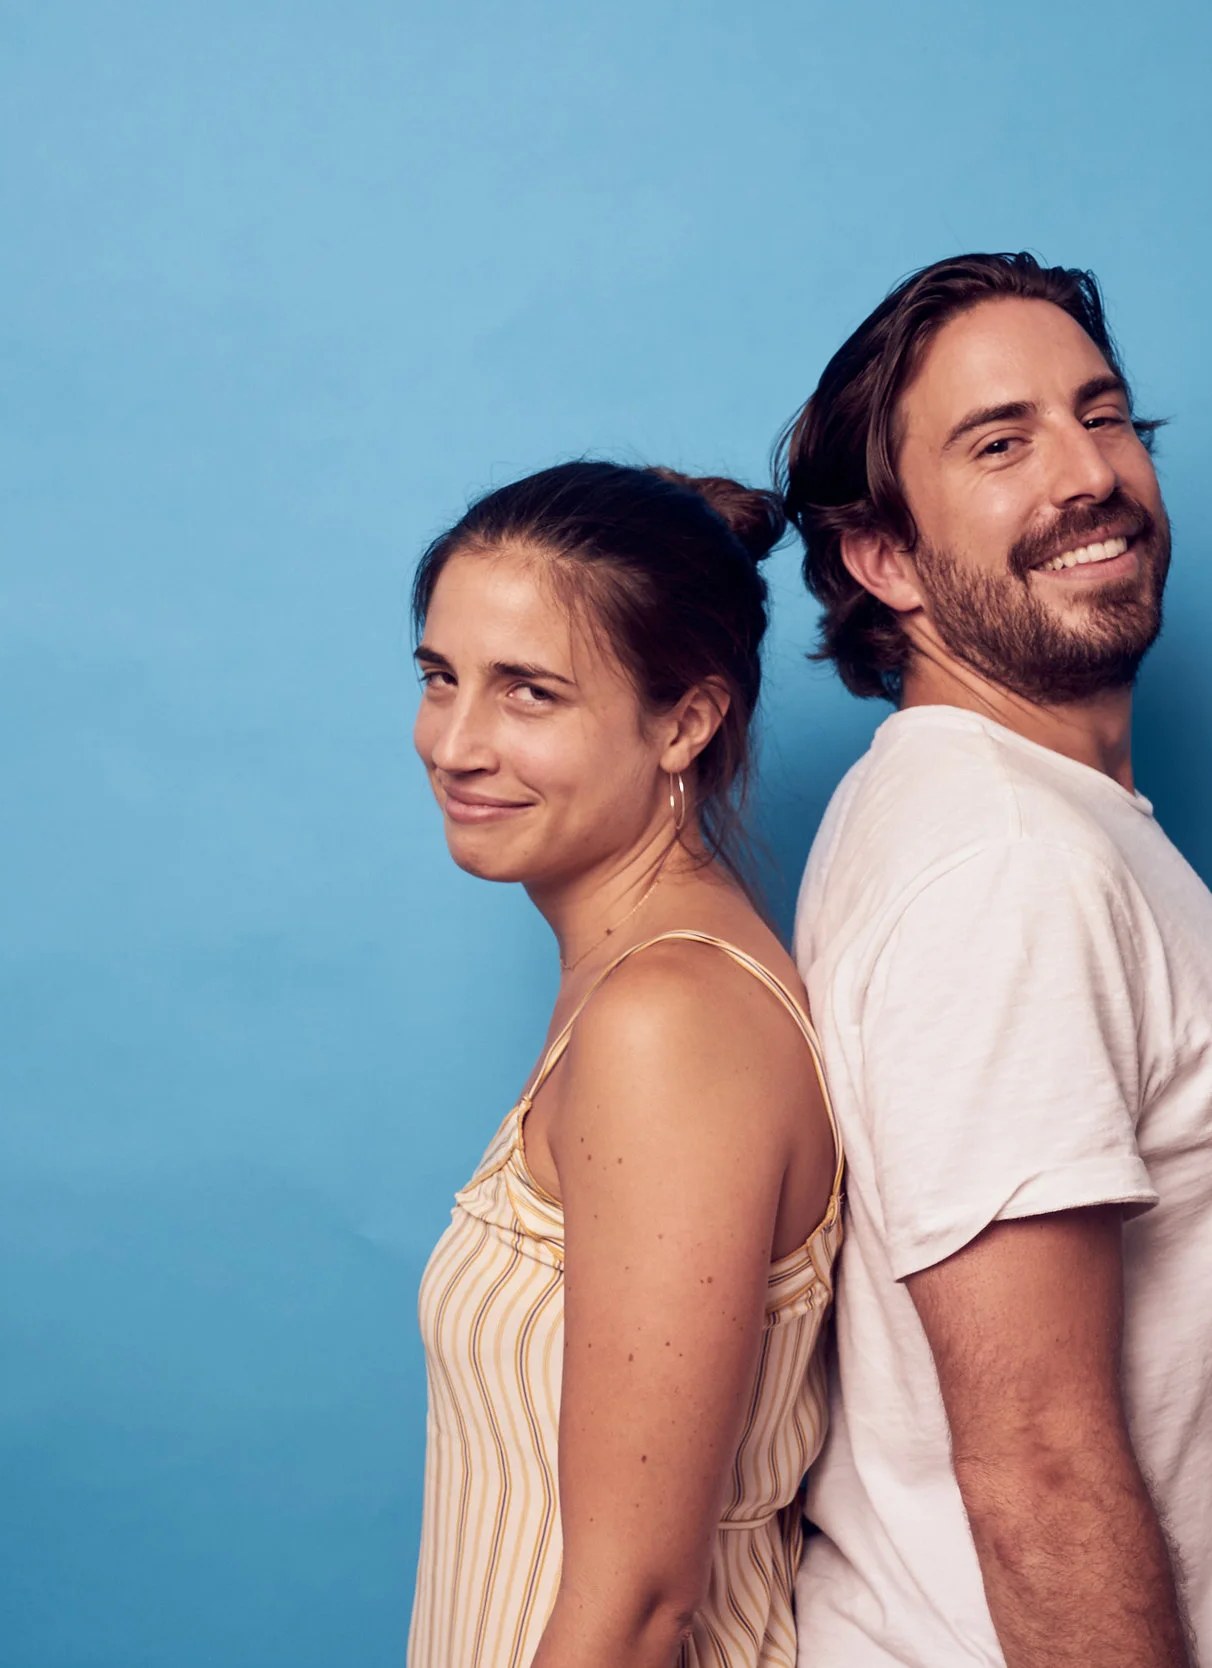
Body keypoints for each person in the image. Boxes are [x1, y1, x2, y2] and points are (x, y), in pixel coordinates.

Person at [778, 253, 1212, 1668]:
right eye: (1000, 444)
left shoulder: (991, 809)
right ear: (884, 560)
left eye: (1103, 414)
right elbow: (1037, 1465)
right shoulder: (1006, 865)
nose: (1088, 474)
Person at [404, 460, 844, 1668]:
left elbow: (643, 1602)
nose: (456, 744)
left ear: (685, 723)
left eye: (529, 693)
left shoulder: (671, 1021)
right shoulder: (628, 986)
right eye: (441, 678)